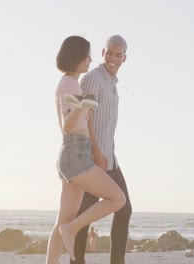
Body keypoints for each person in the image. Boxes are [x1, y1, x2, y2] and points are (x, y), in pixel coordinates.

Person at [45, 35, 126, 264]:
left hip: (72, 154)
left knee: (62, 221)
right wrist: (82, 107)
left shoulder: (70, 83)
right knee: (117, 199)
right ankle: (72, 230)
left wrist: (82, 108)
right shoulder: (69, 85)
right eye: (88, 55)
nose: (90, 59)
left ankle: (64, 239)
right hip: (76, 153)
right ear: (77, 57)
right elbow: (67, 125)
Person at [72, 35, 132, 264]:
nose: (113, 59)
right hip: (93, 158)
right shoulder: (93, 79)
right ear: (102, 53)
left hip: (109, 158)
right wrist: (96, 153)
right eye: (110, 53)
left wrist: (105, 154)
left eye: (118, 55)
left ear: (124, 58)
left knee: (123, 208)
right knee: (83, 215)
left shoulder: (112, 83)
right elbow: (83, 117)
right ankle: (76, 261)